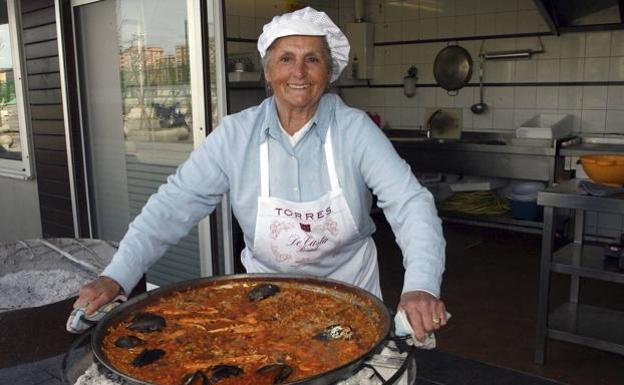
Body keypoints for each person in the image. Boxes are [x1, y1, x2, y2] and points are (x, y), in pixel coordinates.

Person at [74, 7, 448, 341]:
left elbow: (409, 203)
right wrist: (117, 275)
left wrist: (420, 285)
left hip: (350, 296)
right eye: (286, 59)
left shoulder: (355, 130)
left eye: (312, 59)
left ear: (328, 72)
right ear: (268, 71)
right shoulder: (236, 135)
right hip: (266, 299)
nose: (298, 72)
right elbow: (173, 205)